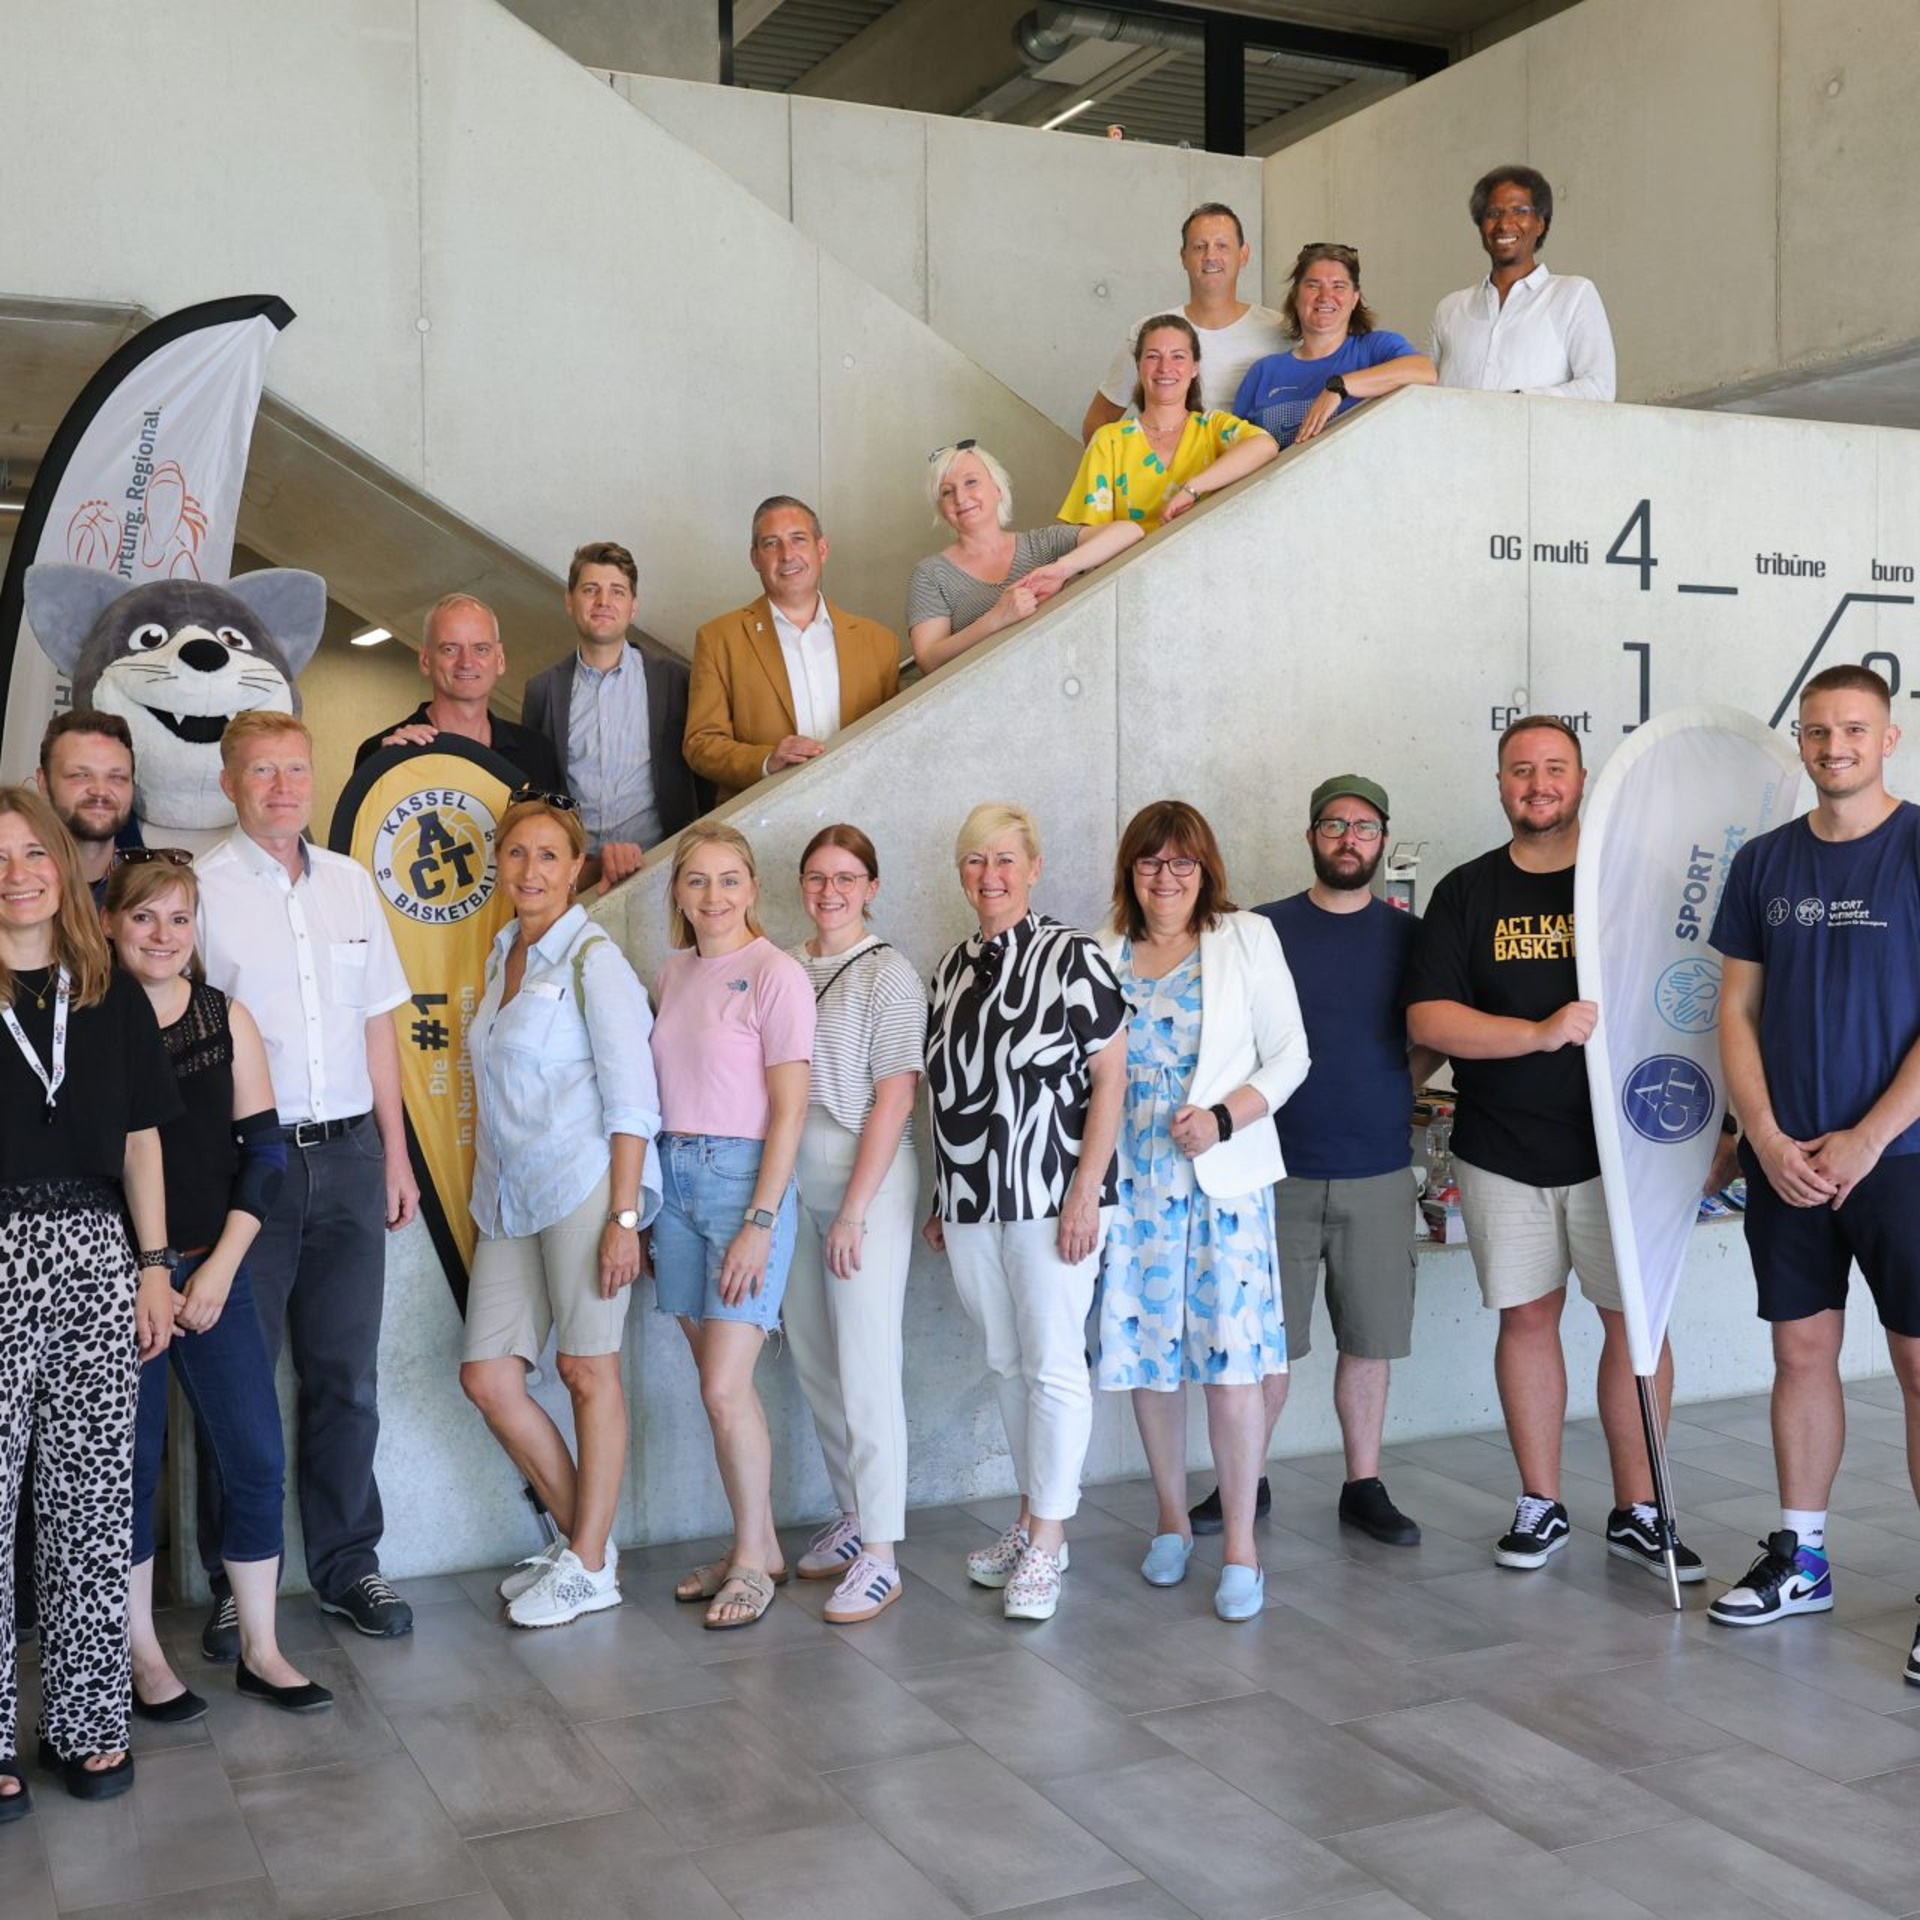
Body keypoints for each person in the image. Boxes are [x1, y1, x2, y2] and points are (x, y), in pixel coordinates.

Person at [1405, 718, 1699, 1577]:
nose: (1538, 783)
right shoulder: (1467, 892)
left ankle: (1641, 1509)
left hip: (1626, 1151)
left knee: (1634, 1326)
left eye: (1555, 768)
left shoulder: (1631, 884)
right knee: (1528, 1319)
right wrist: (1536, 1033)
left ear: (1584, 779)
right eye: (1521, 769)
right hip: (1503, 1146)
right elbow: (1430, 1019)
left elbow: (1689, 1000)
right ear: (1500, 783)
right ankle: (1540, 1503)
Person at [1708, 665, 1920, 1672]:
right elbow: (1735, 1013)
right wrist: (1762, 1132)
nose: (1834, 745)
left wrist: (1869, 1138)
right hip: (1789, 1163)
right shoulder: (1763, 865)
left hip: (1905, 1157)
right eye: (1818, 730)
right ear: (1800, 742)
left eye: (1854, 729)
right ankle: (1804, 1559)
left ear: (1888, 739)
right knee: (1800, 1356)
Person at [194, 711, 420, 1650]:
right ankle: (230, 1583)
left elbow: (379, 1028)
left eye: (295, 769)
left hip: (354, 1155)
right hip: (253, 1167)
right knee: (235, 1384)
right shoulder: (199, 890)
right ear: (228, 783)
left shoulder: (350, 885)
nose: (282, 787)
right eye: (262, 772)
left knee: (346, 1377)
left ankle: (346, 1567)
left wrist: (395, 1155)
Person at [103, 853, 333, 1720]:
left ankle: (264, 1650)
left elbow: (266, 1155)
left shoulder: (222, 1016)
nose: (163, 936)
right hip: (116, 1280)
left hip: (214, 1267)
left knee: (255, 1456)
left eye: (179, 920)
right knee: (129, 1469)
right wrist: (147, 1275)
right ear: (110, 926)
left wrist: (223, 1265)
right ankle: (144, 1658)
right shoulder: (87, 1020)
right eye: (143, 919)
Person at [1189, 776, 1440, 1547]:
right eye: (1334, 824)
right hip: (1273, 1168)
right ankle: (1245, 1479)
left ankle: (1362, 1484)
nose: (1349, 838)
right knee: (1266, 1343)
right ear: (1310, 837)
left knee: (1370, 1340)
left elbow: (1430, 1036)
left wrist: (1385, 1086)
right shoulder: (1258, 931)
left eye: (1364, 826)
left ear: (1382, 839)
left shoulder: (1411, 936)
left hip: (1377, 1168)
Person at [0, 788, 175, 1818]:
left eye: (34, 850)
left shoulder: (106, 989)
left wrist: (154, 1263)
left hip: (96, 1249)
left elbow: (144, 1135)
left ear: (64, 866)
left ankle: (88, 1720)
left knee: (95, 1497)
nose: (18, 869)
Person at [1095, 802, 1308, 1622]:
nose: (1167, 878)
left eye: (1182, 863)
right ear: (1131, 873)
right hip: (1136, 1182)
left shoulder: (1246, 940)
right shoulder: (1100, 951)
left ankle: (1242, 1549)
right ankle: (1171, 1522)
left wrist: (1223, 1117)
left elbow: (1292, 1055)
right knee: (1152, 1360)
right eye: (1151, 863)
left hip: (1223, 1179)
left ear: (1205, 869)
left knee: (1232, 1364)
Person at [458, 794, 662, 1629]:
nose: (530, 871)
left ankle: (586, 1562)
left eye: (549, 857)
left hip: (582, 1188)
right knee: (490, 1377)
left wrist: (623, 1219)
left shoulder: (593, 959)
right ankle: (589, 1543)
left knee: (587, 1370)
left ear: (576, 869)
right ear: (498, 864)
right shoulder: (505, 950)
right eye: (516, 855)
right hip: (509, 1194)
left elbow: (632, 1099)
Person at [925, 803, 1126, 1623]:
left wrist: (1087, 1188)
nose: (990, 876)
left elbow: (1112, 1078)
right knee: (1007, 1364)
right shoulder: (947, 970)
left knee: (1051, 1365)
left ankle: (1049, 1539)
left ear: (1034, 867)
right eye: (975, 861)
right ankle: (1029, 1516)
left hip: (1053, 1198)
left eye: (1005, 860)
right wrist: (944, 1191)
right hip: (973, 1200)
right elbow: (945, 1094)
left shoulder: (1073, 956)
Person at [649, 826, 812, 1630]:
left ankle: (754, 1560)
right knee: (721, 1391)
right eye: (696, 882)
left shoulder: (776, 975)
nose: (713, 897)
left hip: (743, 1185)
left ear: (753, 888)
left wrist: (760, 1220)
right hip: (674, 1183)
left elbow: (790, 1111)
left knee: (722, 1386)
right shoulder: (674, 972)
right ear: (677, 893)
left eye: (729, 881)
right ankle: (758, 1545)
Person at [784, 826, 924, 1624]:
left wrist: (855, 1211)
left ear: (871, 885)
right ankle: (853, 1514)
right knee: (815, 1357)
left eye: (846, 878)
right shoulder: (786, 963)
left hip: (861, 1173)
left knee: (868, 1364)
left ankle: (882, 1554)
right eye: (816, 877)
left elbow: (896, 1097)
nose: (830, 891)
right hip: (794, 1170)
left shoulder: (889, 974)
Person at [684, 498, 901, 806]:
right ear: (755, 558)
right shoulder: (718, 639)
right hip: (761, 820)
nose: (786, 555)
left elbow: (895, 740)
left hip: (858, 815)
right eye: (771, 544)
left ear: (822, 549)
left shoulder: (879, 643)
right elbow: (700, 744)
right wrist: (766, 760)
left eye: (798, 539)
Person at [520, 541, 709, 893]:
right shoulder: (542, 691)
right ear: (569, 600)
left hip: (663, 868)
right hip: (579, 879)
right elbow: (539, 794)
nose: (603, 602)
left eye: (617, 591)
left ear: (633, 606)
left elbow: (702, 776)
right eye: (590, 589)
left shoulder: (676, 681)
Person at [908, 443, 1144, 673]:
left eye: (971, 482)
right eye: (947, 492)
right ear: (941, 507)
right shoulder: (930, 574)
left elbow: (1130, 532)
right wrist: (994, 620)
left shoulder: (1042, 543)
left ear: (997, 489)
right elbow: (929, 660)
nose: (960, 498)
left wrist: (1063, 568)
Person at [1081, 203, 1287, 443]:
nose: (1210, 256)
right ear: (1183, 257)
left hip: (1257, 474)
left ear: (1243, 255)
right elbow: (1099, 420)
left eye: (1222, 246)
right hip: (1170, 478)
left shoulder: (1281, 330)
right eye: (1199, 247)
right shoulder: (1149, 333)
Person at [1061, 316, 1277, 535]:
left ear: (1194, 368)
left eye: (1178, 357)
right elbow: (1083, 535)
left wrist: (1193, 489)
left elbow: (1265, 446)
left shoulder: (1212, 427)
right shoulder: (1109, 440)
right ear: (1139, 366)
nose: (1165, 367)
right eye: (1154, 356)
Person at [1432, 164, 1616, 400]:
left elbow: (1599, 389)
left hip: (1540, 436)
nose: (1505, 224)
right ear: (1481, 227)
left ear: (1541, 224)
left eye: (1519, 211)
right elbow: (1427, 398)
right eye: (1493, 214)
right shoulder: (1449, 309)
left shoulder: (1573, 294)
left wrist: (1519, 402)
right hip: (1455, 437)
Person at [353, 593, 565, 789]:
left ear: (500, 659)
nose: (466, 662)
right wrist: (384, 768)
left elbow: (561, 829)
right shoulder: (382, 752)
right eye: (450, 649)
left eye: (481, 649)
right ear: (425, 660)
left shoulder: (538, 752)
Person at [1232, 244, 1435, 448]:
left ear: (1354, 298)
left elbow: (1424, 370)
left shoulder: (1375, 348)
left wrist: (1340, 387)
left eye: (1338, 286)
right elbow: (1233, 448)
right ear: (1295, 295)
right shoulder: (1264, 372)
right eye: (1313, 285)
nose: (1325, 296)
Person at [35, 710, 139, 907]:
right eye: (80, 775)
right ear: (44, 783)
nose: (100, 791)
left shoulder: (153, 890)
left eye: (116, 777)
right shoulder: (14, 885)